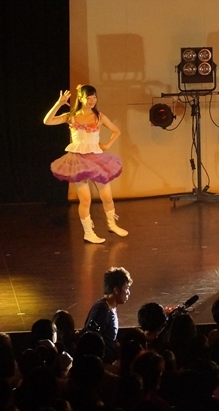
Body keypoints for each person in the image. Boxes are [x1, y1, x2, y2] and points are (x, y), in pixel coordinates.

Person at [44, 85, 127, 244]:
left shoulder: (99, 117)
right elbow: (47, 121)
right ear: (80, 98)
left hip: (97, 160)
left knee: (107, 196)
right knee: (86, 199)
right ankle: (88, 232)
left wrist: (107, 145)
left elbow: (116, 131)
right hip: (77, 161)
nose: (92, 100)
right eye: (88, 97)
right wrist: (59, 103)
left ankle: (112, 224)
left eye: (94, 97)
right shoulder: (71, 116)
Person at [83, 266, 132, 364]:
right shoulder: (102, 309)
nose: (128, 293)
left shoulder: (110, 308)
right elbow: (92, 340)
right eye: (126, 288)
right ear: (116, 290)